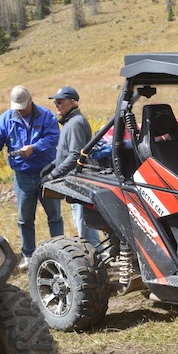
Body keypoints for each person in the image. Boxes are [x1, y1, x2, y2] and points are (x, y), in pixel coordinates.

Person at [0, 85, 63, 270]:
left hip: (47, 173)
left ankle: (60, 250)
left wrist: (34, 148)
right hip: (22, 176)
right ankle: (28, 254)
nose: (20, 110)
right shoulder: (5, 119)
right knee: (24, 218)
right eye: (17, 107)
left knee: (54, 215)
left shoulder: (46, 116)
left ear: (30, 100)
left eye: (23, 105)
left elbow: (54, 138)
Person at [40, 86, 101, 246]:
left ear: (72, 102)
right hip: (75, 180)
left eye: (60, 102)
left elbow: (76, 155)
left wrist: (54, 175)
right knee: (83, 223)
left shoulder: (76, 123)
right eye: (55, 102)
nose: (56, 105)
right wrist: (53, 165)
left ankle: (96, 257)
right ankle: (97, 256)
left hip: (79, 180)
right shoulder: (71, 122)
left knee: (83, 224)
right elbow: (68, 152)